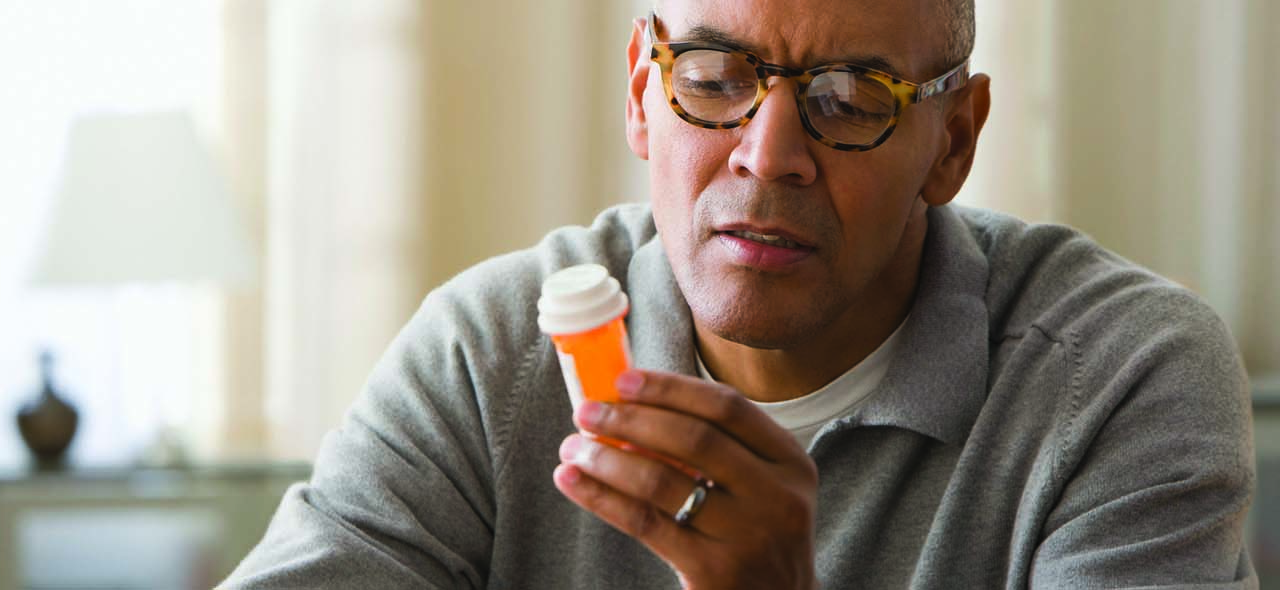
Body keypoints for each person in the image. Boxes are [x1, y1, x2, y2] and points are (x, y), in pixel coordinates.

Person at [222, 0, 1257, 587]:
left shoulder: (1123, 376)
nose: (768, 158)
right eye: (714, 78)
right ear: (642, 92)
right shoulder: (492, 354)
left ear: (955, 140)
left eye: (850, 100)